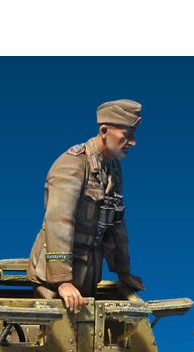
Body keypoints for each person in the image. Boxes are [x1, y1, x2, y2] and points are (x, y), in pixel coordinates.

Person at [27, 99, 145, 313]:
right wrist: (62, 280)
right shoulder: (73, 164)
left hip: (88, 273)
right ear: (104, 130)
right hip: (54, 280)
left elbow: (116, 223)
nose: (132, 142)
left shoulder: (113, 167)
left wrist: (123, 272)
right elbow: (58, 223)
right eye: (126, 135)